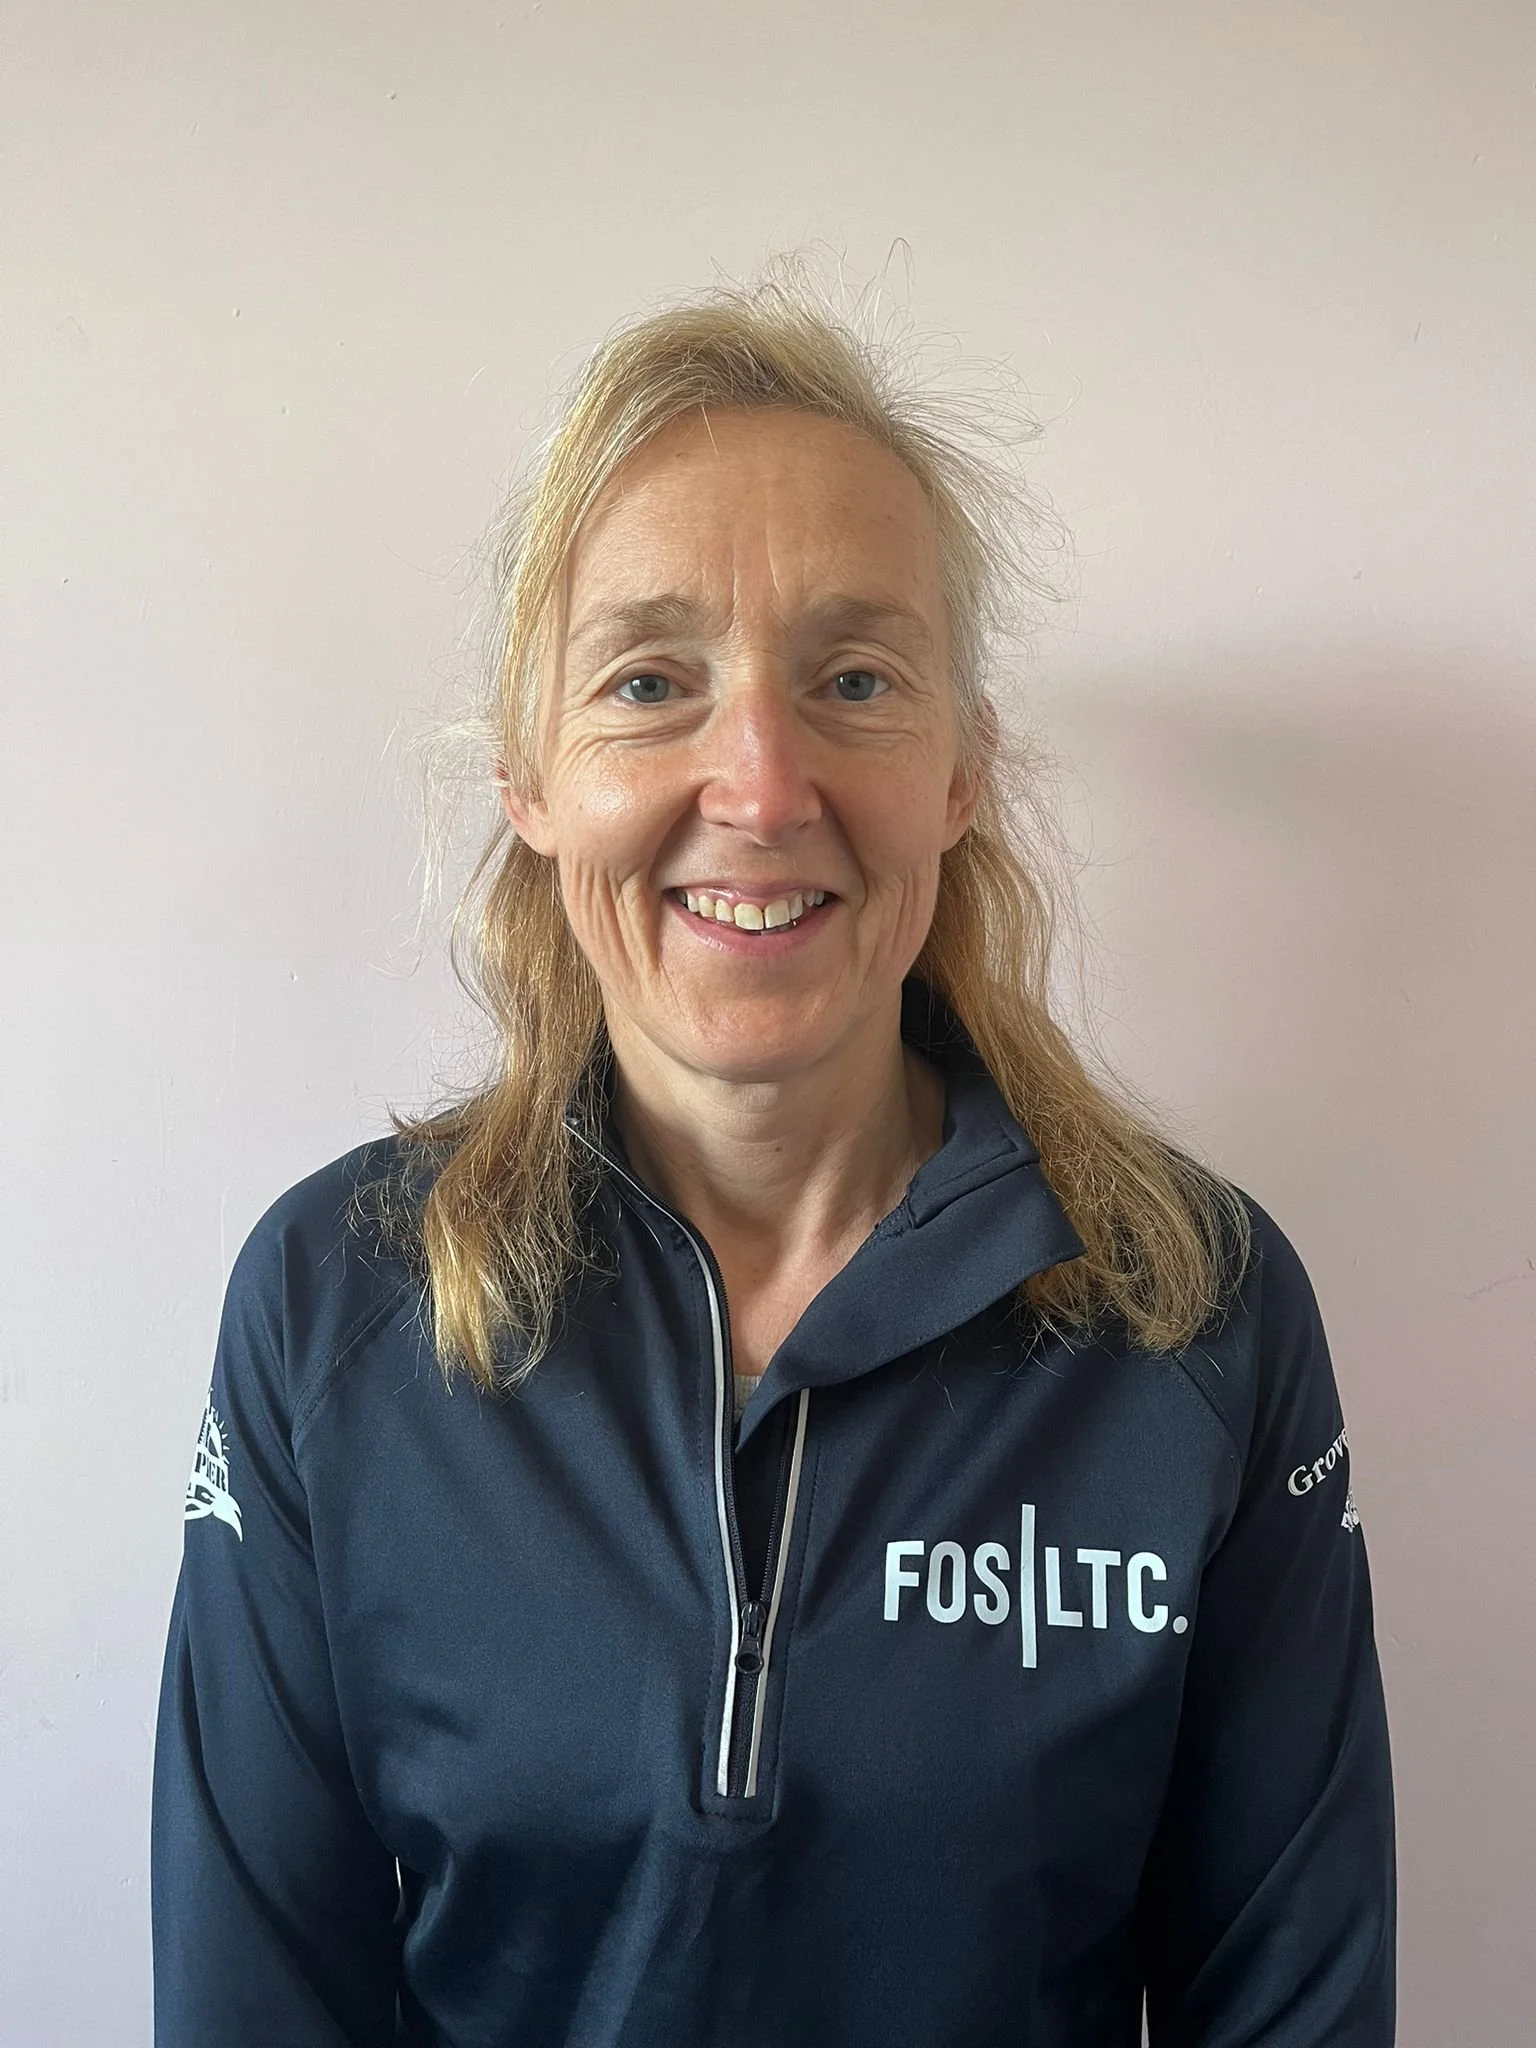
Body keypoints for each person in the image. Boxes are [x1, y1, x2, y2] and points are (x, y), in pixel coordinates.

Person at [151, 263, 1395, 2046]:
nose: (758, 781)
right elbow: (254, 2002)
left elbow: (1293, 2007)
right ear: (532, 776)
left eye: (856, 678)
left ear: (964, 770)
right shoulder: (335, 1306)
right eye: (650, 680)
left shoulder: (1199, 1309)